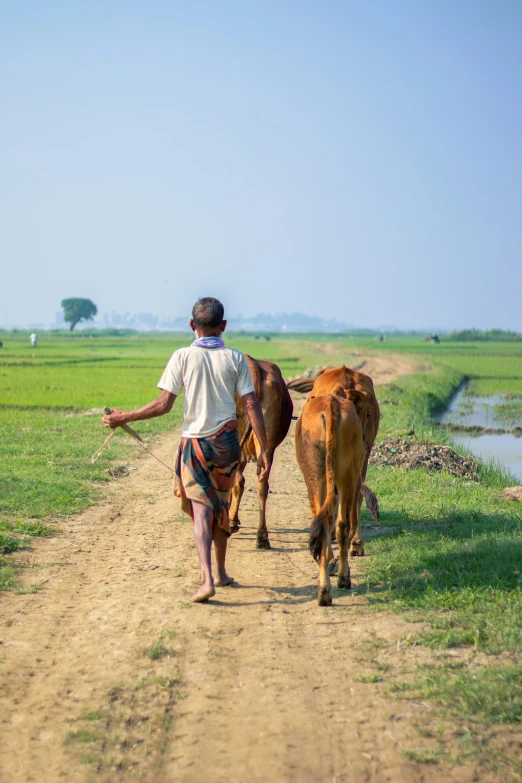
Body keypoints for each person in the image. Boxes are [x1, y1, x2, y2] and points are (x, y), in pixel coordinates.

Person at [103, 297, 269, 603]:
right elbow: (251, 404)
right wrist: (264, 449)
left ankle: (207, 580)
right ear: (223, 326)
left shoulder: (182, 356)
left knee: (202, 512)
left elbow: (163, 405)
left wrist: (123, 417)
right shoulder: (235, 359)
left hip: (196, 445)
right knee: (221, 504)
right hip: (228, 444)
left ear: (192, 325)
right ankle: (220, 572)